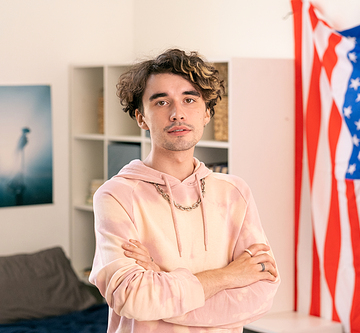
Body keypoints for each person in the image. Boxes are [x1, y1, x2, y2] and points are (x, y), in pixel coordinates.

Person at [89, 48, 280, 333]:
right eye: (162, 102)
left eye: (189, 100)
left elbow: (259, 295)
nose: (177, 113)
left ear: (206, 113)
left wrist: (162, 280)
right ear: (141, 118)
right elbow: (134, 299)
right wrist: (228, 276)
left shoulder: (234, 193)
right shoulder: (116, 196)